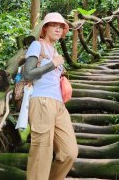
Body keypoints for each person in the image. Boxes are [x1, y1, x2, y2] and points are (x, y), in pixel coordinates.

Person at [22, 12, 78, 180]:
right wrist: (53, 64)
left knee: (69, 152)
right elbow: (28, 74)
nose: (58, 29)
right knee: (42, 153)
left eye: (61, 27)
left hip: (59, 105)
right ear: (45, 28)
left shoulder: (55, 50)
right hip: (41, 101)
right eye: (54, 25)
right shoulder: (37, 46)